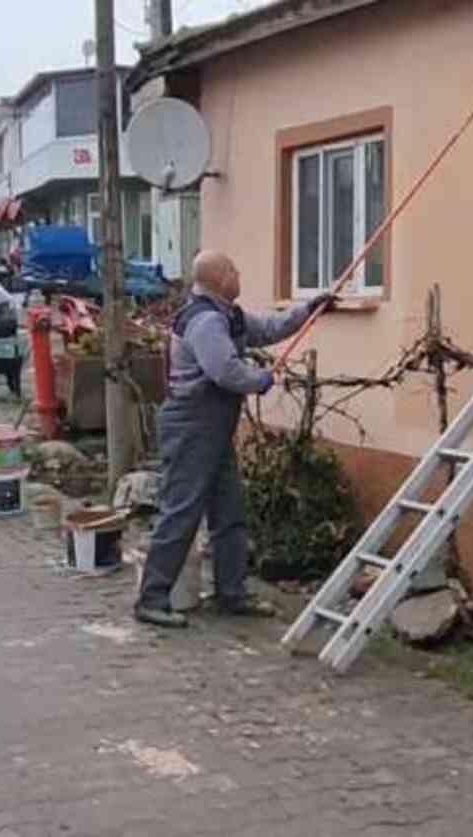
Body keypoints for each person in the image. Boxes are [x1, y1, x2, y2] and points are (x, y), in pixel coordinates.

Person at [135, 250, 334, 628]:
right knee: (181, 511)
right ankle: (152, 598)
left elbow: (271, 329)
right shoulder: (206, 321)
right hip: (192, 425)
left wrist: (310, 309)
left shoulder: (230, 315)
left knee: (228, 513)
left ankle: (232, 593)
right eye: (235, 268)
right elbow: (224, 370)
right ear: (221, 277)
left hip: (213, 427)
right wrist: (261, 380)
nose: (239, 273)